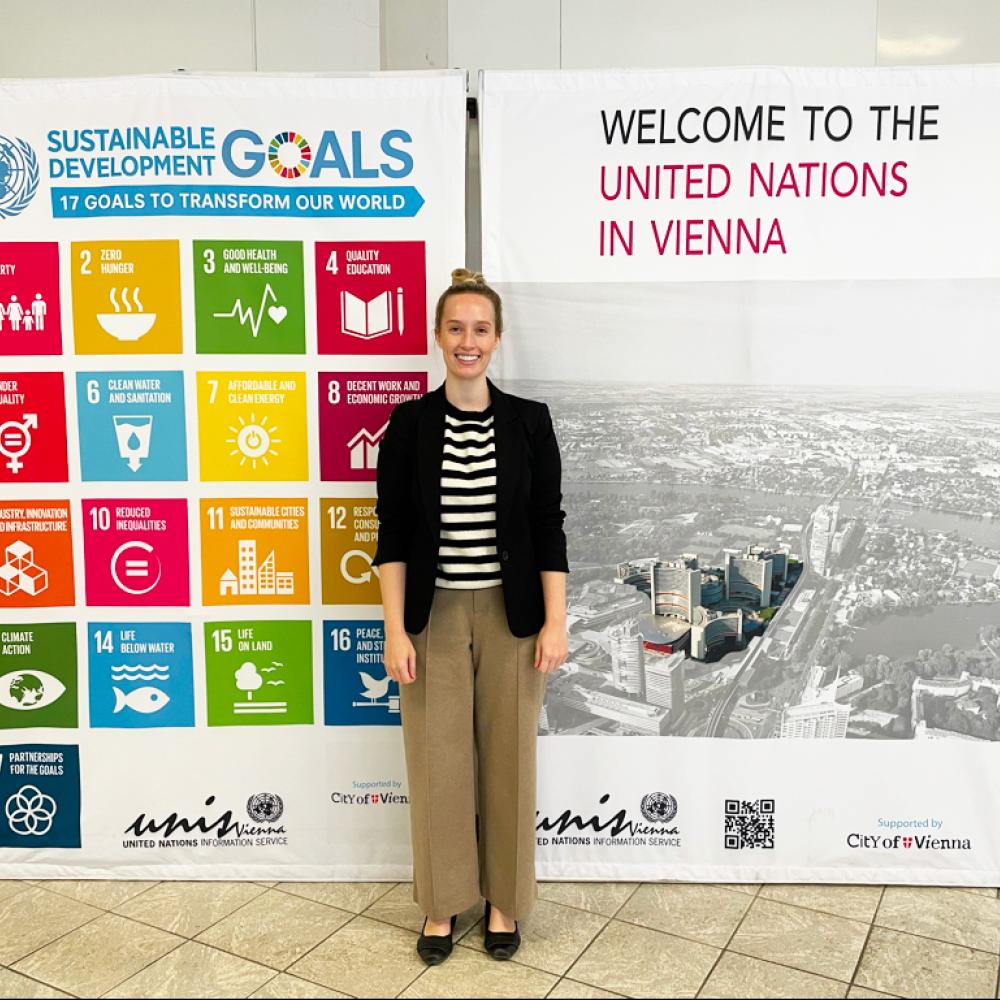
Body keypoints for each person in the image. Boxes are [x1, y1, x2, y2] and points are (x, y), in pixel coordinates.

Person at [372, 268, 569, 965]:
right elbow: (391, 532)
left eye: (479, 329)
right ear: (436, 336)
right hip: (433, 616)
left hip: (511, 618)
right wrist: (395, 630)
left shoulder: (529, 422)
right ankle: (441, 904)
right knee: (438, 762)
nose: (467, 340)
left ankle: (504, 900)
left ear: (497, 339)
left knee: (510, 758)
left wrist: (556, 620)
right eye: (455, 327)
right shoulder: (408, 424)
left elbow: (548, 526)